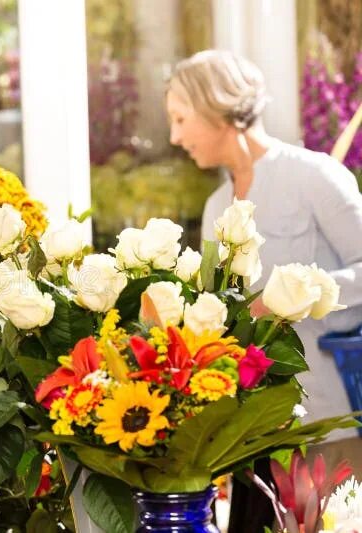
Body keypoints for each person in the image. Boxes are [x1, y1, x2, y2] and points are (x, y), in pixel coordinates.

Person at [166, 49, 362, 532]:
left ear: (217, 108)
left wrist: (295, 292)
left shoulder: (313, 176)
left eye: (180, 118)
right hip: (251, 433)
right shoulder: (217, 206)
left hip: (328, 423)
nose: (174, 136)